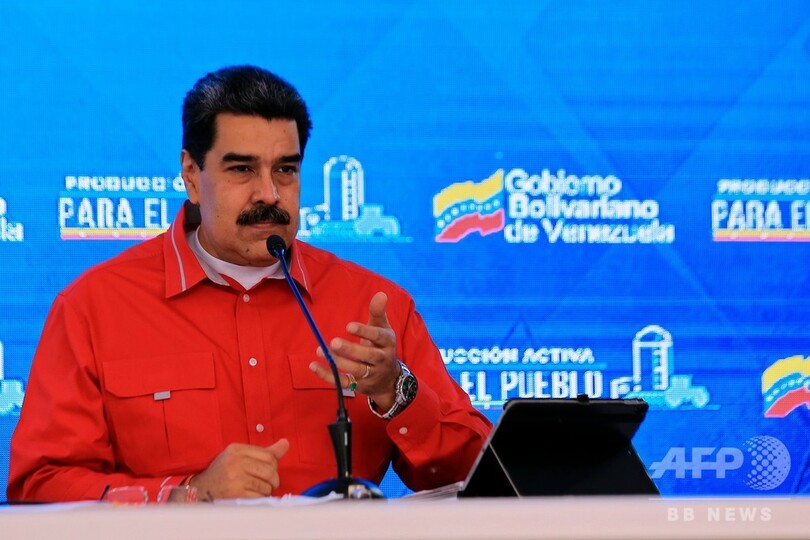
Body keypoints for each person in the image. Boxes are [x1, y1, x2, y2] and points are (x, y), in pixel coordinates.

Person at [7, 65, 491, 502]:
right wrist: (186, 495)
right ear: (191, 175)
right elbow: (40, 486)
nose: (269, 193)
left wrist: (395, 391)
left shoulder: (372, 306)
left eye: (286, 169)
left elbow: (479, 477)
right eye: (242, 169)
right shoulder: (96, 306)